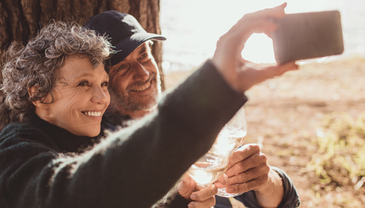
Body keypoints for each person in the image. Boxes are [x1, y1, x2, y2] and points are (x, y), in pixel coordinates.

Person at [0, 5, 298, 208]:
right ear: (39, 94)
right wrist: (214, 85)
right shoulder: (14, 148)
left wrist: (262, 179)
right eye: (83, 84)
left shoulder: (94, 136)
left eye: (101, 83)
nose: (101, 98)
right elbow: (77, 192)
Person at [85, 4, 300, 208]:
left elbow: (287, 201)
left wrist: (263, 180)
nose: (143, 73)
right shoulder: (102, 148)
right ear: (102, 80)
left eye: (144, 55)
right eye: (123, 67)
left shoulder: (187, 117)